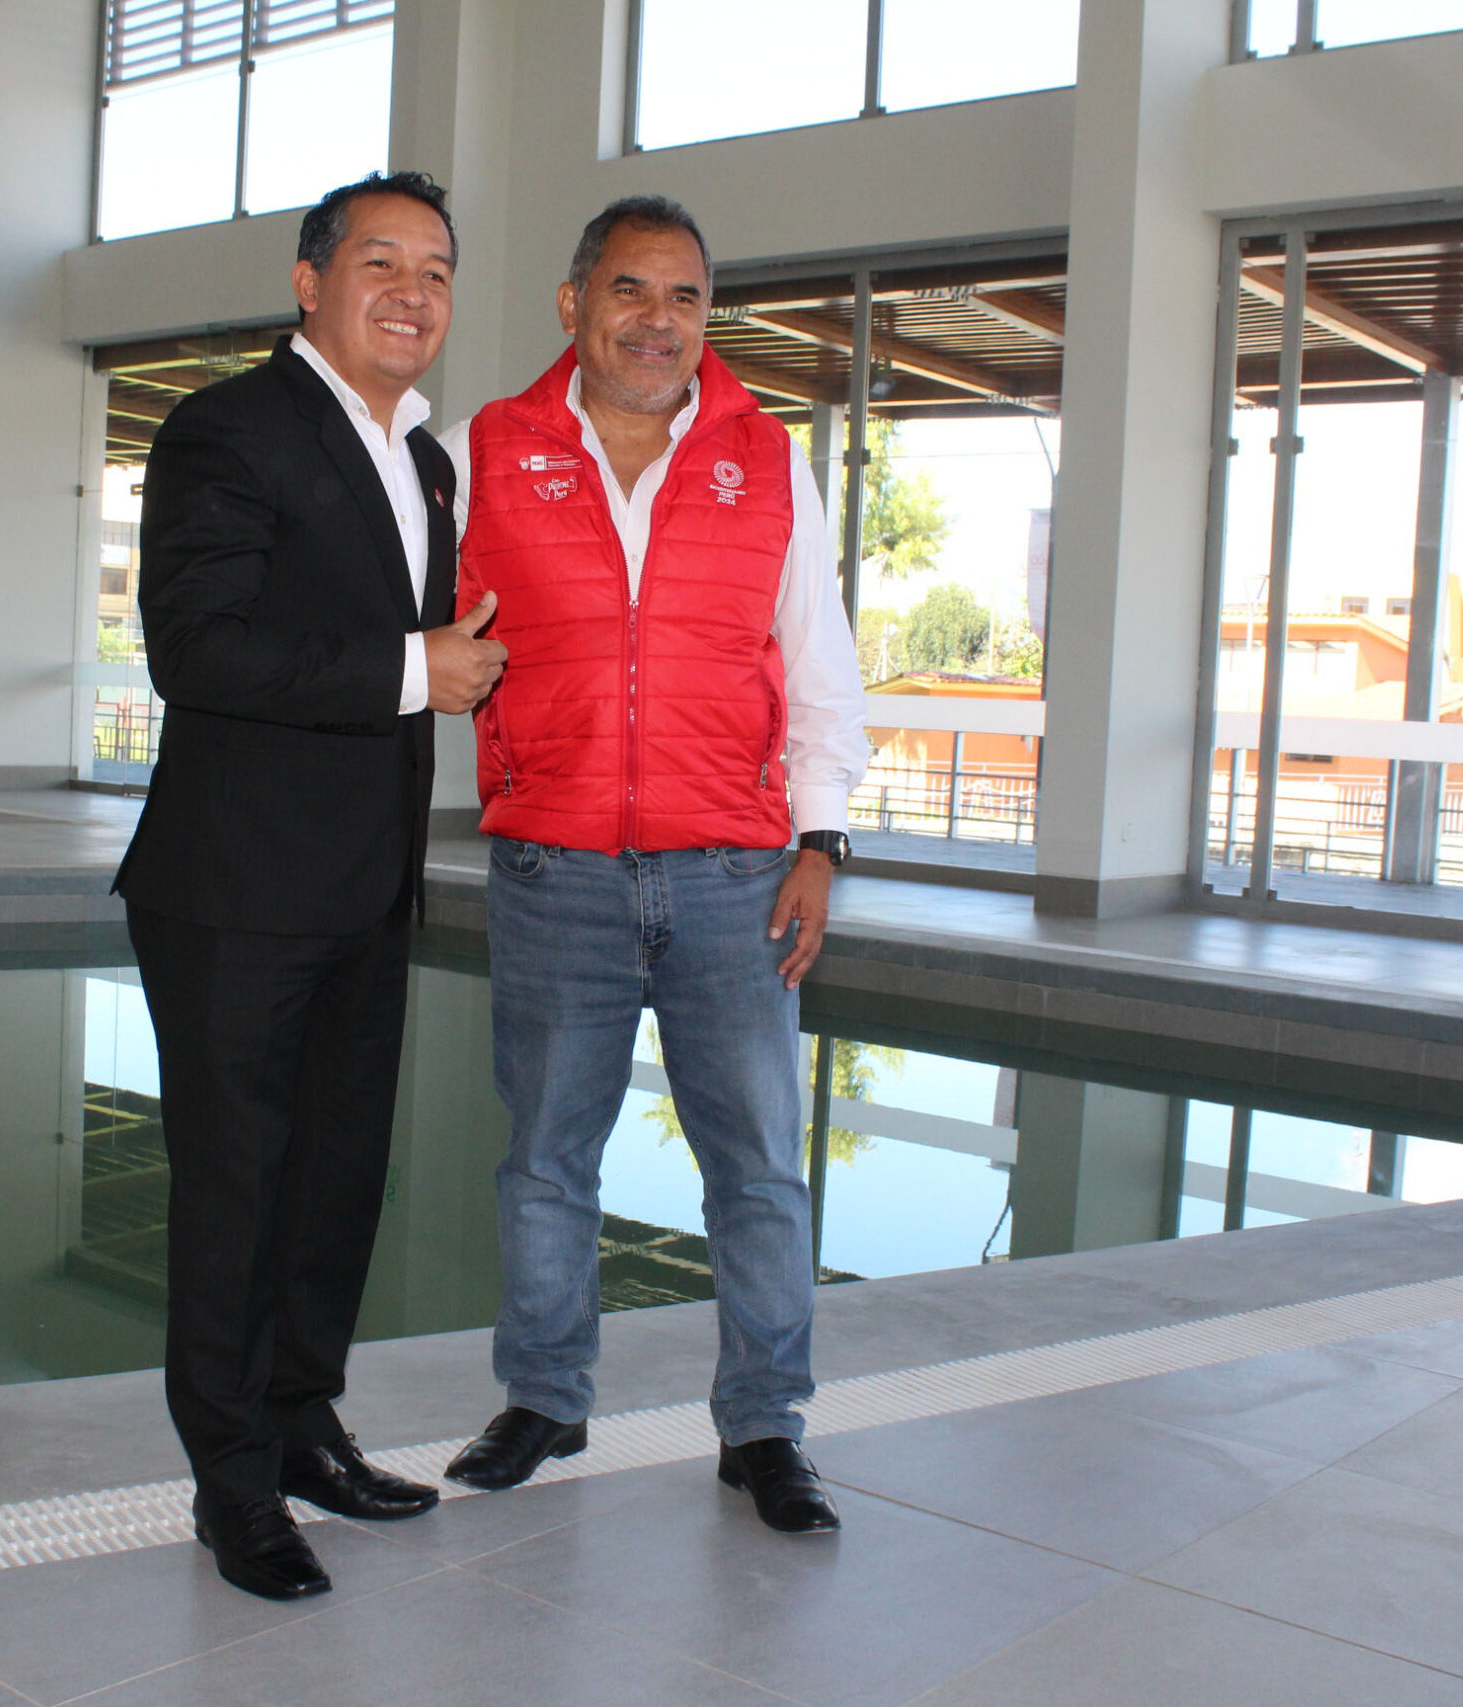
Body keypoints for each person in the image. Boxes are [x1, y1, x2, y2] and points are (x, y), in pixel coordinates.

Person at [438, 196, 869, 1534]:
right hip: (553, 869)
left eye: (685, 297)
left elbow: (817, 658)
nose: (658, 321)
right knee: (546, 1160)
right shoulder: (483, 452)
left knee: (758, 1170)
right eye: (631, 290)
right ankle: (545, 1397)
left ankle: (765, 1425)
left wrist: (820, 840)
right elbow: (407, 623)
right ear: (575, 303)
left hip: (735, 874)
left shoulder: (766, 458)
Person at [111, 171, 505, 1601]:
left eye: (436, 270)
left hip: (364, 887)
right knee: (237, 1192)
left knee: (335, 1179)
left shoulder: (427, 461)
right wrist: (414, 667)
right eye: (380, 262)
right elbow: (194, 648)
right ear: (309, 281)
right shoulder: (226, 428)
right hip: (234, 889)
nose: (413, 292)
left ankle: (300, 1426)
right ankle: (230, 1483)